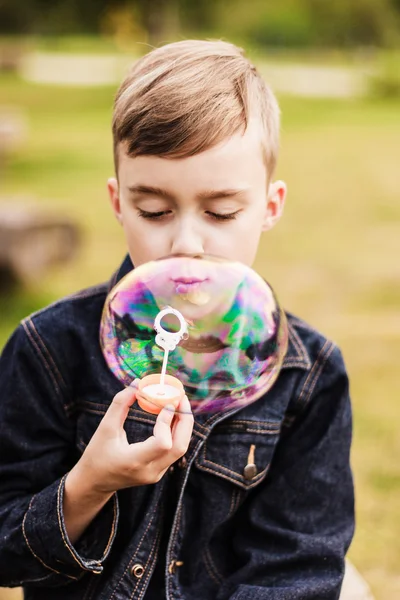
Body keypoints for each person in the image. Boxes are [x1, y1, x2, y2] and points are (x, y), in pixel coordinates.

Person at [0, 40, 354, 599]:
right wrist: (88, 486)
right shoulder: (48, 349)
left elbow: (296, 564)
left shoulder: (307, 375)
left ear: (269, 206)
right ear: (118, 202)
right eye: (154, 211)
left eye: (220, 211)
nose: (187, 240)